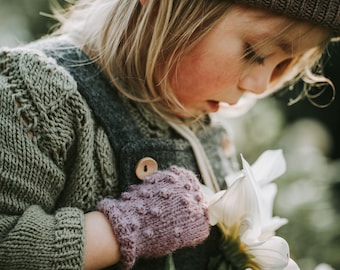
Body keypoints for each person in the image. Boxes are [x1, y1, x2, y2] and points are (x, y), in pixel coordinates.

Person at [0, 0, 338, 269]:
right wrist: (127, 226)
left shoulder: (199, 122)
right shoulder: (39, 96)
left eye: (284, 66)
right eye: (255, 53)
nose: (259, 86)